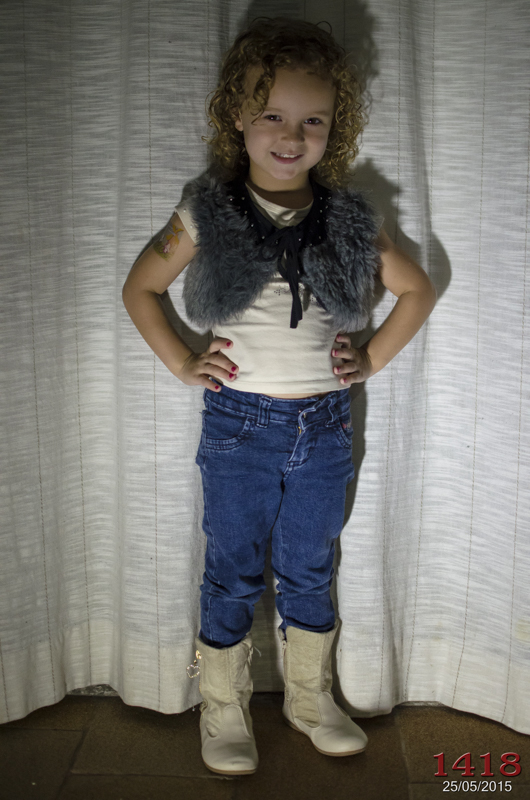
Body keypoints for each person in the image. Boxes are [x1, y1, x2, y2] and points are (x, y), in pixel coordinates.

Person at [122, 17, 436, 776]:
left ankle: (309, 697)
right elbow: (140, 288)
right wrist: (184, 361)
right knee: (232, 564)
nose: (291, 136)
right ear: (238, 116)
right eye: (272, 115)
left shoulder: (350, 217)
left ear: (334, 127)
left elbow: (416, 289)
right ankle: (222, 705)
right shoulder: (208, 211)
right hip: (239, 424)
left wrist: (370, 356)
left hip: (324, 424)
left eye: (312, 121)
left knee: (309, 561)